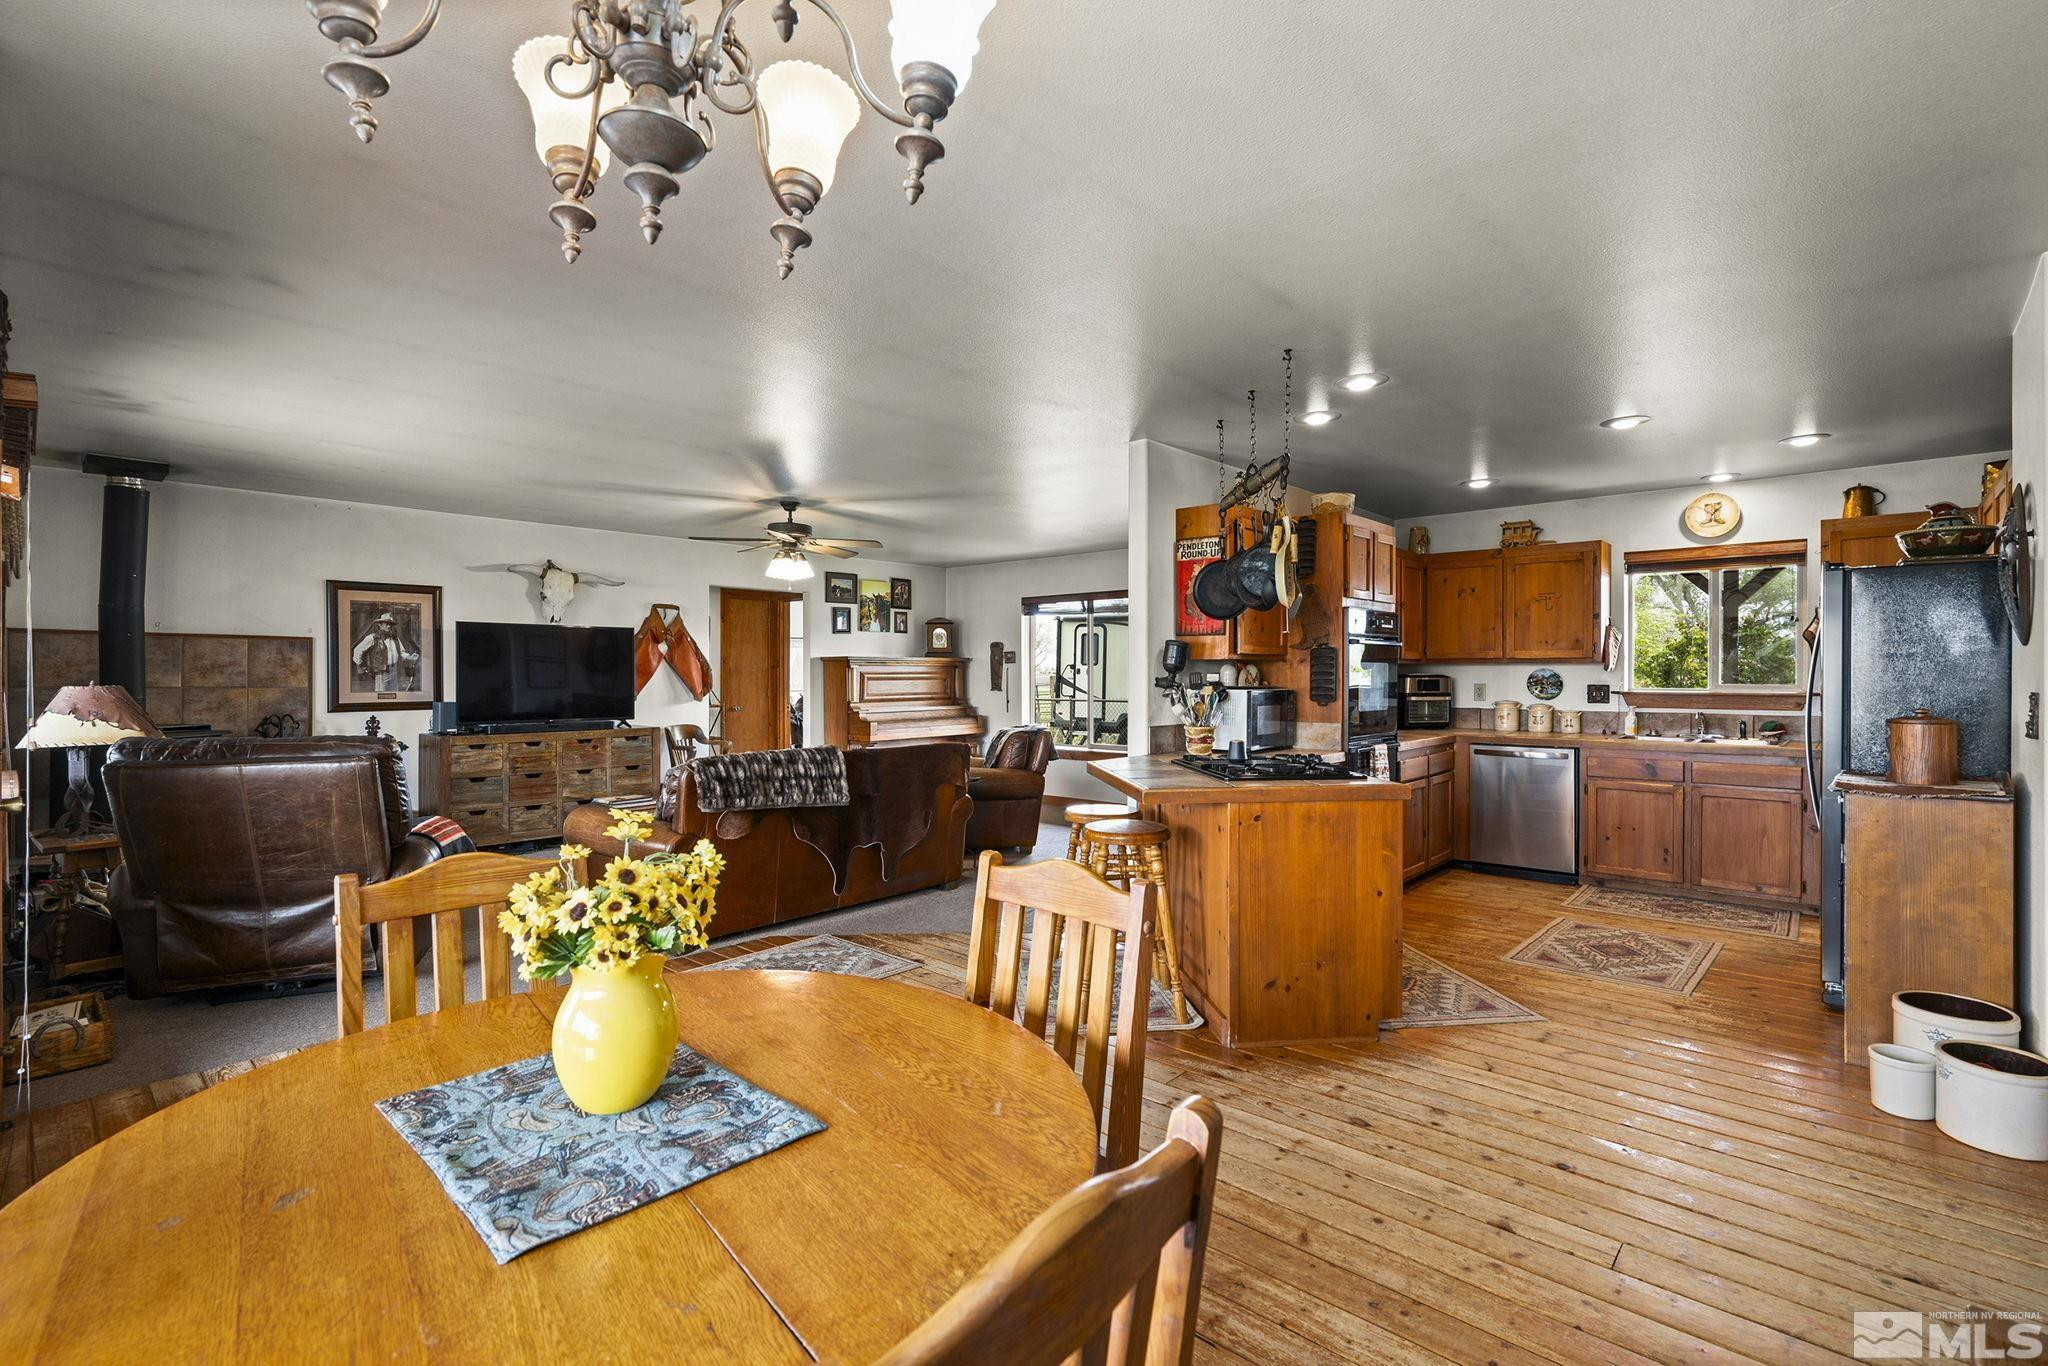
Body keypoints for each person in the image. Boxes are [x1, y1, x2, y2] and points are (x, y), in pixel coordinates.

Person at [353, 611, 420, 692]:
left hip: (394, 671)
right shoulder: (372, 638)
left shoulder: (395, 638)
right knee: (381, 695)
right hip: (381, 672)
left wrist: (410, 657)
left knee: (394, 694)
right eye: (386, 624)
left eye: (390, 624)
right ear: (380, 625)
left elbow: (401, 652)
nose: (389, 626)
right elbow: (357, 650)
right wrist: (359, 667)